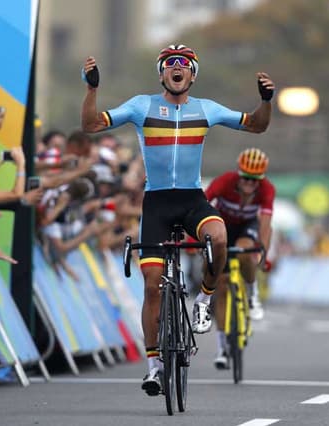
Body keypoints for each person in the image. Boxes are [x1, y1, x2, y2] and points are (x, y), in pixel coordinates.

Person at [81, 44, 274, 395]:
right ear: (161, 73)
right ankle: (153, 367)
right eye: (170, 63)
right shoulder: (142, 106)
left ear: (192, 74)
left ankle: (203, 302)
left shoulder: (207, 109)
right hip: (156, 203)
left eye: (184, 64)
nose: (177, 67)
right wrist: (92, 89)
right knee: (152, 285)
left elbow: (257, 127)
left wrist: (266, 102)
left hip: (191, 199)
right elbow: (91, 124)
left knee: (218, 238)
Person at [204, 148, 275, 369]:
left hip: (247, 227)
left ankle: (252, 293)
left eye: (255, 180)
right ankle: (222, 346)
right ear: (238, 173)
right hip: (223, 225)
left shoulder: (267, 190)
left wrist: (262, 252)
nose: (249, 184)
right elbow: (202, 206)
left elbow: (265, 224)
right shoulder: (224, 182)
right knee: (222, 285)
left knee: (245, 251)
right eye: (245, 178)